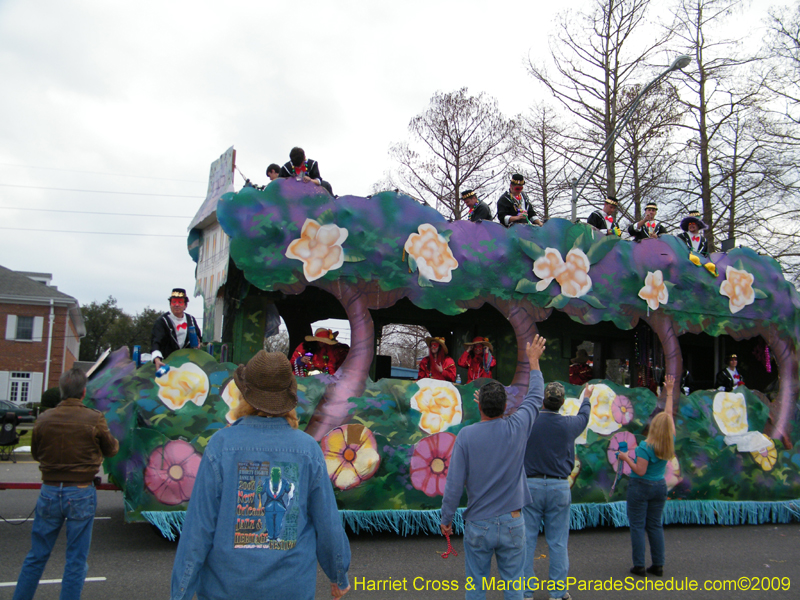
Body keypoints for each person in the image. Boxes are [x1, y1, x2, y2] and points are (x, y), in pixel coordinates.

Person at [170, 351, 351, 600]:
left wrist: (181, 591)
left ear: (245, 393)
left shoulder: (221, 445)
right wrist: (338, 575)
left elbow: (198, 529)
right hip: (291, 589)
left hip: (227, 590)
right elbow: (328, 524)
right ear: (289, 396)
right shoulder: (308, 449)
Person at [440, 336, 547, 600]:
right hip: (513, 522)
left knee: (476, 584)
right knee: (514, 585)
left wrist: (446, 519)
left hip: (479, 524)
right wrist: (533, 360)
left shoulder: (466, 436)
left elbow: (454, 484)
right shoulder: (518, 426)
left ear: (479, 405)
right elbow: (535, 397)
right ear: (505, 406)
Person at [13, 368, 119, 600]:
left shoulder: (44, 418)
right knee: (75, 559)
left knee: (36, 555)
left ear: (61, 391)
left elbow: (36, 453)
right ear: (83, 392)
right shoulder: (94, 417)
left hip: (50, 490)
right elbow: (111, 449)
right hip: (80, 490)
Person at [522, 381, 591, 600]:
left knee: (527, 541)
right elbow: (585, 416)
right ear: (561, 403)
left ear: (543, 400)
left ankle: (525, 591)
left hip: (530, 486)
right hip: (559, 487)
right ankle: (558, 592)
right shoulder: (569, 424)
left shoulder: (529, 422)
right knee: (558, 542)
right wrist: (586, 397)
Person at [618, 373, 676, 578]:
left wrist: (625, 457)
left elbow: (640, 470)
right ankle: (658, 565)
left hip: (641, 486)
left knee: (637, 525)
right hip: (659, 485)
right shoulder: (670, 440)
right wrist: (669, 393)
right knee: (655, 525)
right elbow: (668, 417)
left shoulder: (645, 446)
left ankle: (640, 565)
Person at [151, 288, 203, 370]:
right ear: (170, 304)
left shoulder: (191, 320)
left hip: (187, 365)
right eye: (174, 302)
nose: (176, 305)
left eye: (180, 302)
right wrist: (157, 359)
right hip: (167, 365)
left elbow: (199, 339)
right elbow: (156, 342)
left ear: (185, 305)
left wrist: (199, 345)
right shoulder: (162, 321)